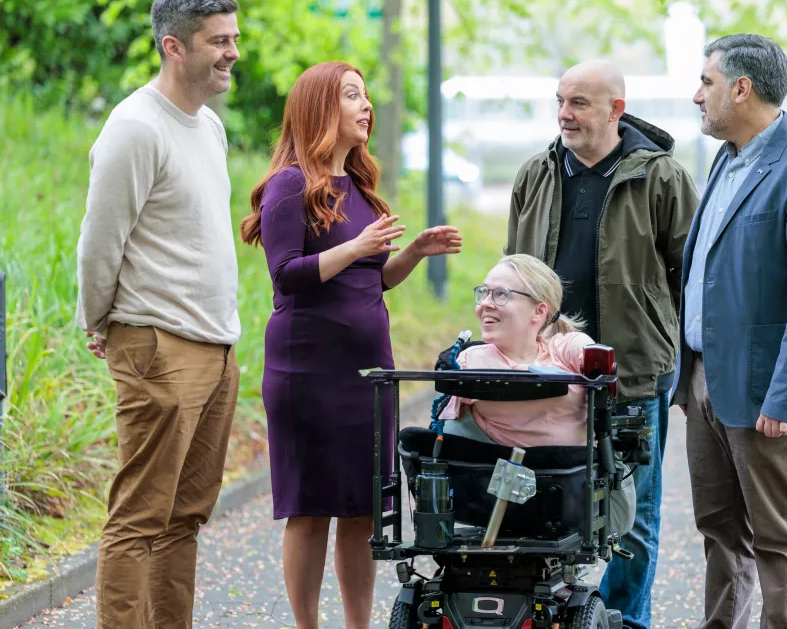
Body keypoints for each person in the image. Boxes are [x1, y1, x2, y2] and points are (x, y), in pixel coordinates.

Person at [239, 61, 461, 629]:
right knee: (311, 510)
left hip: (369, 376)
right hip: (308, 374)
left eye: (366, 96)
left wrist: (412, 253)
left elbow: (375, 278)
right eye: (353, 96)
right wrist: (359, 244)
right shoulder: (291, 185)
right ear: (320, 109)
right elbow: (287, 273)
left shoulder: (360, 188)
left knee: (364, 512)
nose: (366, 107)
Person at [505, 60, 699, 628]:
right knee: (539, 499)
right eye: (561, 101)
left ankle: (624, 621)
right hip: (544, 373)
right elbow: (515, 269)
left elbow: (691, 278)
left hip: (633, 374)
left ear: (616, 108)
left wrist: (685, 365)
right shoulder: (535, 174)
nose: (565, 113)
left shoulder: (662, 178)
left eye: (580, 103)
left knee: (633, 516)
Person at [672, 34, 787, 629]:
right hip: (706, 381)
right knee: (719, 533)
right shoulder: (727, 159)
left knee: (779, 540)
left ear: (741, 89)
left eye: (707, 82)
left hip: (768, 390)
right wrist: (685, 381)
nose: (698, 95)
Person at [75, 0, 242, 629]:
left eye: (233, 37)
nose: (233, 53)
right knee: (142, 516)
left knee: (184, 518)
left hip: (215, 349)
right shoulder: (135, 128)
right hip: (158, 346)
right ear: (175, 47)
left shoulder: (210, 126)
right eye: (218, 42)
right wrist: (98, 320)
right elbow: (100, 243)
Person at [438, 253, 635, 535]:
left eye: (501, 294)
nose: (484, 303)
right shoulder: (471, 360)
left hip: (572, 489)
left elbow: (601, 372)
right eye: (483, 293)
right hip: (500, 492)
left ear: (539, 311)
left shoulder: (567, 347)